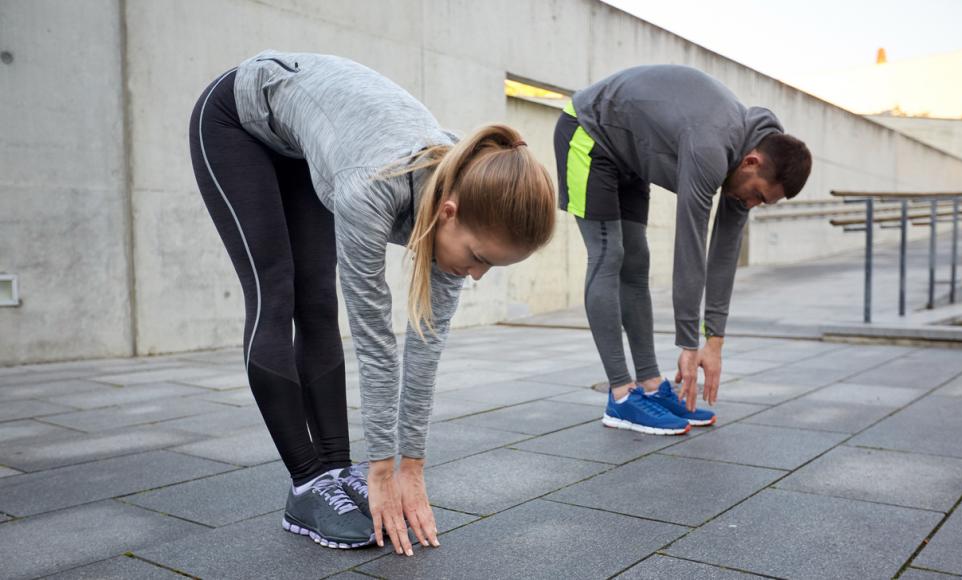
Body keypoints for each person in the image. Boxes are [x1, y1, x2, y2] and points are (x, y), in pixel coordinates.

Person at [190, 50, 555, 555]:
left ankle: (338, 468)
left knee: (318, 303)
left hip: (306, 139)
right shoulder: (373, 186)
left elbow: (425, 346)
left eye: (490, 267)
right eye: (477, 258)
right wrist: (384, 465)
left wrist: (412, 468)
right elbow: (376, 340)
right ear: (447, 213)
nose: (475, 275)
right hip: (237, 120)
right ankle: (306, 486)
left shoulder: (464, 191)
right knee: (278, 290)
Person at [553, 65, 811, 435]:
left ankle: (650, 385)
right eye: (757, 194)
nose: (753, 203)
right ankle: (622, 396)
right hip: (588, 130)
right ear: (751, 162)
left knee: (637, 261)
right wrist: (689, 343)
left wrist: (715, 340)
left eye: (763, 202)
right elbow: (691, 246)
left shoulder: (752, 156)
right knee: (609, 254)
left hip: (628, 154)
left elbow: (723, 254)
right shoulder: (711, 147)